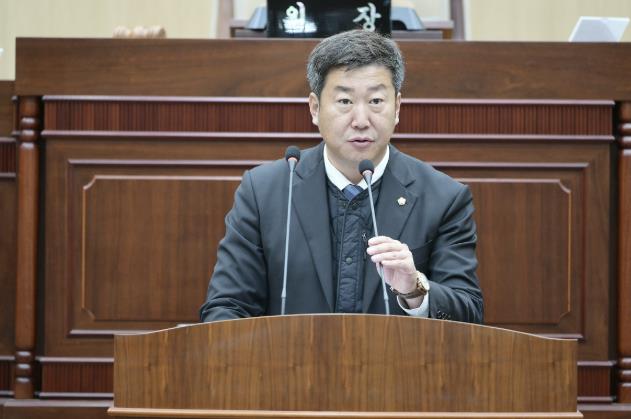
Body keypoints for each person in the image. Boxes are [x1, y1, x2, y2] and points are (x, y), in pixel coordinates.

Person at [200, 30, 483, 323]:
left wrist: (415, 289)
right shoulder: (264, 192)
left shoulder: (443, 198)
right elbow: (226, 307)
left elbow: (469, 315)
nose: (361, 121)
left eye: (376, 101)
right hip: (289, 354)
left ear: (397, 108)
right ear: (315, 108)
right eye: (345, 101)